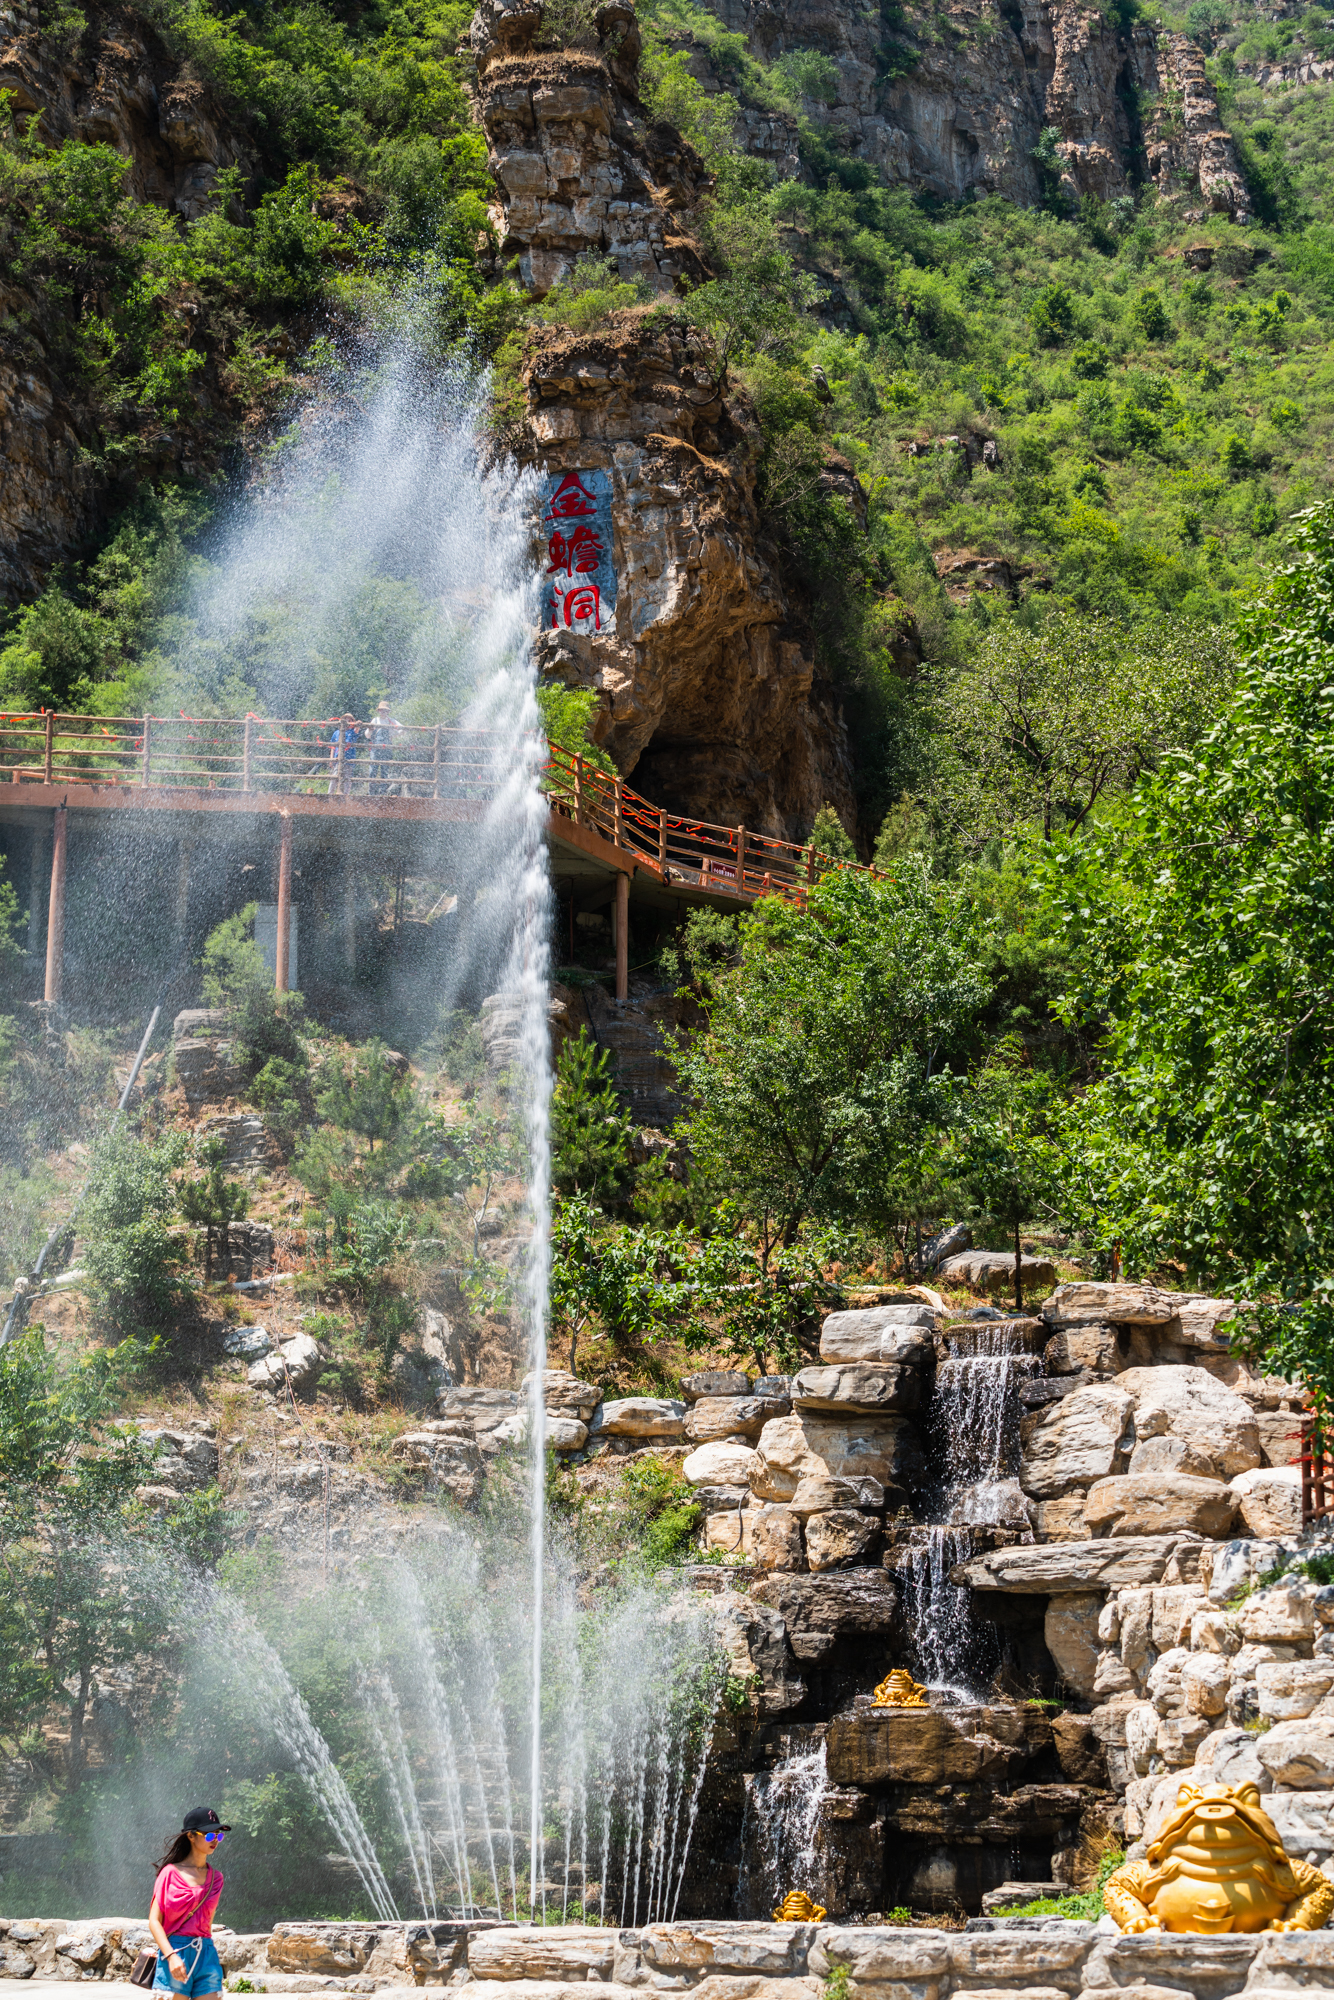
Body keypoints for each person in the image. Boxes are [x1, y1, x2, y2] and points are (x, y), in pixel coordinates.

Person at [147, 1806, 230, 2000]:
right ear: (191, 1836)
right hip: (176, 1951)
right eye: (209, 1836)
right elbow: (154, 1921)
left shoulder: (216, 1878)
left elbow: (205, 1923)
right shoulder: (169, 1873)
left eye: (218, 1836)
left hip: (206, 1954)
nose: (215, 1841)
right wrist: (170, 1956)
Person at [368, 698, 403, 795]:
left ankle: (383, 792)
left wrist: (393, 735)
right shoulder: (374, 720)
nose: (383, 712)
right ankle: (371, 793)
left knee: (384, 771)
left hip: (386, 748)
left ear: (388, 711)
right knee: (372, 771)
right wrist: (370, 730)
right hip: (375, 748)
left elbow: (403, 729)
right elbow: (367, 735)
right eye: (381, 710)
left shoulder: (391, 721)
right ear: (378, 711)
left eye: (385, 710)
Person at [327, 715, 360, 795]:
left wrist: (358, 724)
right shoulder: (336, 733)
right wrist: (331, 758)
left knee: (347, 778)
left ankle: (346, 795)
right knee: (334, 776)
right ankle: (329, 794)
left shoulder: (352, 732)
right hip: (337, 759)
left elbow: (357, 730)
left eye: (349, 720)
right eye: (345, 719)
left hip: (349, 758)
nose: (347, 721)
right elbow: (333, 747)